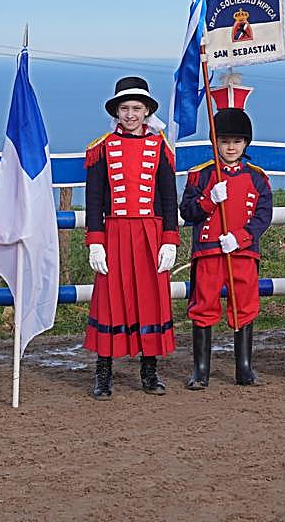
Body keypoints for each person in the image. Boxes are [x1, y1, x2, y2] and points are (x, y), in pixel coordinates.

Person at [83, 76, 179, 399]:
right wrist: (95, 241)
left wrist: (170, 239)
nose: (130, 114)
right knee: (110, 302)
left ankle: (149, 370)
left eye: (136, 108)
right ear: (117, 112)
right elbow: (94, 199)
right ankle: (104, 371)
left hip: (150, 236)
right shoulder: (101, 149)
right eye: (124, 108)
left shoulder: (161, 147)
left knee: (150, 300)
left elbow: (169, 198)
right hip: (115, 234)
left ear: (147, 111)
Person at [179, 82, 273, 389]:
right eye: (224, 141)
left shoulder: (257, 178)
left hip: (242, 252)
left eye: (236, 141)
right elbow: (188, 212)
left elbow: (263, 216)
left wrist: (243, 238)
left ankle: (244, 368)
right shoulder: (201, 174)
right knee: (204, 306)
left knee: (244, 305)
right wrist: (208, 199)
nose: (230, 147)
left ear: (245, 143)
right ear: (214, 142)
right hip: (208, 251)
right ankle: (201, 370)